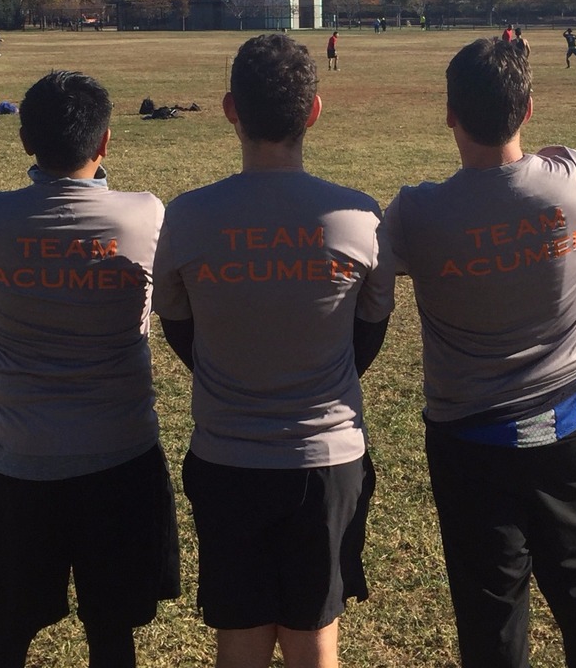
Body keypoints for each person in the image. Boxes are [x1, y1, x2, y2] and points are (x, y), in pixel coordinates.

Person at [382, 38, 576, 668]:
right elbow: (544, 157)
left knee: (490, 608)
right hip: (568, 424)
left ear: (449, 114)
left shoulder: (418, 214)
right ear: (526, 108)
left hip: (471, 437)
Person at [152, 33, 395, 668]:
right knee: (316, 638)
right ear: (314, 110)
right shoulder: (359, 217)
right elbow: (369, 331)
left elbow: (179, 325)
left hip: (226, 455)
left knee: (239, 636)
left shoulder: (187, 217)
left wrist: (230, 368)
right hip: (327, 458)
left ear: (231, 109)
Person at [0, 70, 180, 668]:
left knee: (5, 637)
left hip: (20, 460)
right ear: (105, 142)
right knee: (113, 638)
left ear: (26, 142)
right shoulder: (143, 214)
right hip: (121, 455)